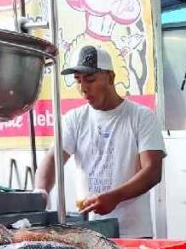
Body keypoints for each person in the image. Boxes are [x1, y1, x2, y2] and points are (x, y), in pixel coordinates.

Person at [35, 46, 165, 238]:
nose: (83, 88)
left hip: (133, 231)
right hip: (90, 232)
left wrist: (115, 197)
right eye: (78, 80)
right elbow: (53, 161)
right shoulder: (75, 119)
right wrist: (40, 193)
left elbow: (152, 171)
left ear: (110, 78)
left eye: (90, 79)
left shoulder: (141, 117)